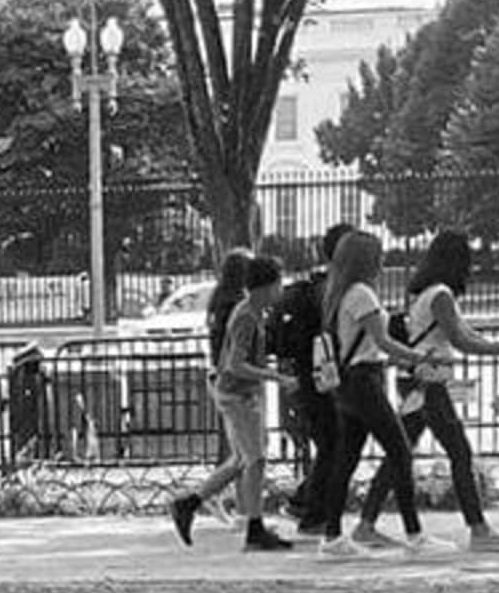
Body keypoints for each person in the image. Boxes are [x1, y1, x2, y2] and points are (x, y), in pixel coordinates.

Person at [354, 230, 499, 552]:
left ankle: (366, 523)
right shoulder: (442, 295)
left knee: (400, 452)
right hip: (430, 379)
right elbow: (461, 340)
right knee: (459, 452)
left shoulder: (425, 293)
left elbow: (462, 332)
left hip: (419, 377)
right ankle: (478, 529)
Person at [315, 228, 427, 560]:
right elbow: (382, 341)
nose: (382, 260)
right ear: (367, 260)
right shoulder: (362, 293)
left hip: (351, 380)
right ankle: (414, 533)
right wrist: (420, 357)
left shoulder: (338, 292)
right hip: (364, 381)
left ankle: (332, 535)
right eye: (377, 255)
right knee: (400, 452)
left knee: (346, 459)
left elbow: (365, 343)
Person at [173, 252, 294, 552]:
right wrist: (275, 377)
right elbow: (234, 364)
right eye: (279, 285)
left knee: (241, 460)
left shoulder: (250, 312)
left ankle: (190, 503)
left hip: (239, 393)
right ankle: (254, 529)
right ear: (266, 287)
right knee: (256, 460)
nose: (281, 292)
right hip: (238, 395)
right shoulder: (246, 317)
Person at [168, 247, 252, 543]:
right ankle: (199, 500)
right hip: (235, 382)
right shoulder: (239, 304)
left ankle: (242, 512)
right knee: (247, 455)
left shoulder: (219, 300)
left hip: (219, 377)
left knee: (242, 452)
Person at [268, 221, 346, 539]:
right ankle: (312, 511)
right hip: (325, 377)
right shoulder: (331, 291)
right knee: (333, 443)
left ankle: (308, 504)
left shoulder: (315, 286)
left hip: (306, 373)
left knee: (330, 443)